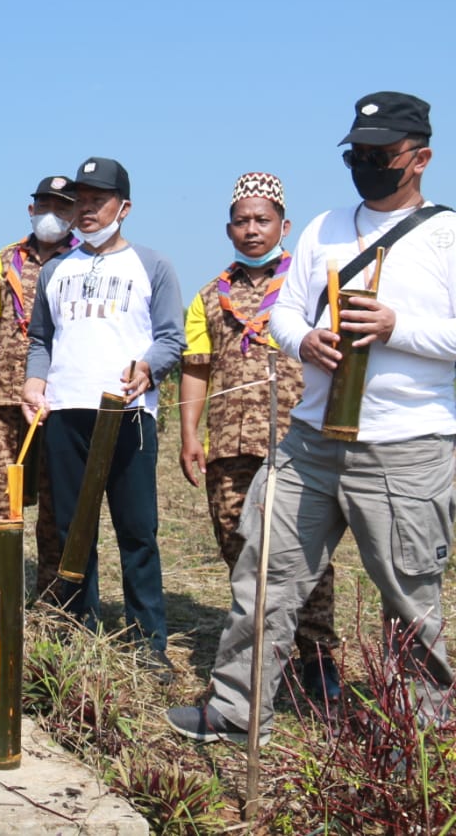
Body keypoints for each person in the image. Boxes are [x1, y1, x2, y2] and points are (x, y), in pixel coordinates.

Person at [170, 92, 456, 744]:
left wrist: (396, 327)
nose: (365, 163)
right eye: (356, 153)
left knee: (409, 597)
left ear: (421, 158)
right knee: (264, 571)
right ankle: (238, 712)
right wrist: (304, 342)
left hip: (405, 445)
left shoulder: (446, 234)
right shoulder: (326, 228)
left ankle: (422, 730)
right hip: (310, 439)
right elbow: (287, 313)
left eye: (380, 154)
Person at [22, 157, 183, 683]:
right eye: (79, 201)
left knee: (137, 530)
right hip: (66, 413)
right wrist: (33, 380)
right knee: (74, 530)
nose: (86, 210)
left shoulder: (152, 266)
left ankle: (147, 642)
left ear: (124, 207)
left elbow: (170, 339)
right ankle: (79, 629)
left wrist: (149, 367)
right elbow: (41, 339)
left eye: (98, 200)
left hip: (127, 414)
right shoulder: (55, 270)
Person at [178, 171, 337, 701]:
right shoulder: (208, 295)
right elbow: (196, 367)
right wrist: (189, 434)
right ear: (229, 229)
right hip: (229, 444)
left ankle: (317, 657)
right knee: (238, 545)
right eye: (242, 221)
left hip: (297, 439)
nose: (252, 230)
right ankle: (261, 650)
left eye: (262, 220)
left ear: (283, 225)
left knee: (304, 550)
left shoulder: (308, 290)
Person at [0, 175, 76, 598]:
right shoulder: (8, 257)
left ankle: (52, 593)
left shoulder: (81, 260)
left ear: (73, 213)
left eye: (62, 207)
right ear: (31, 210)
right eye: (44, 205)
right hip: (4, 398)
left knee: (52, 503)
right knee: (0, 496)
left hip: (58, 400)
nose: (52, 214)